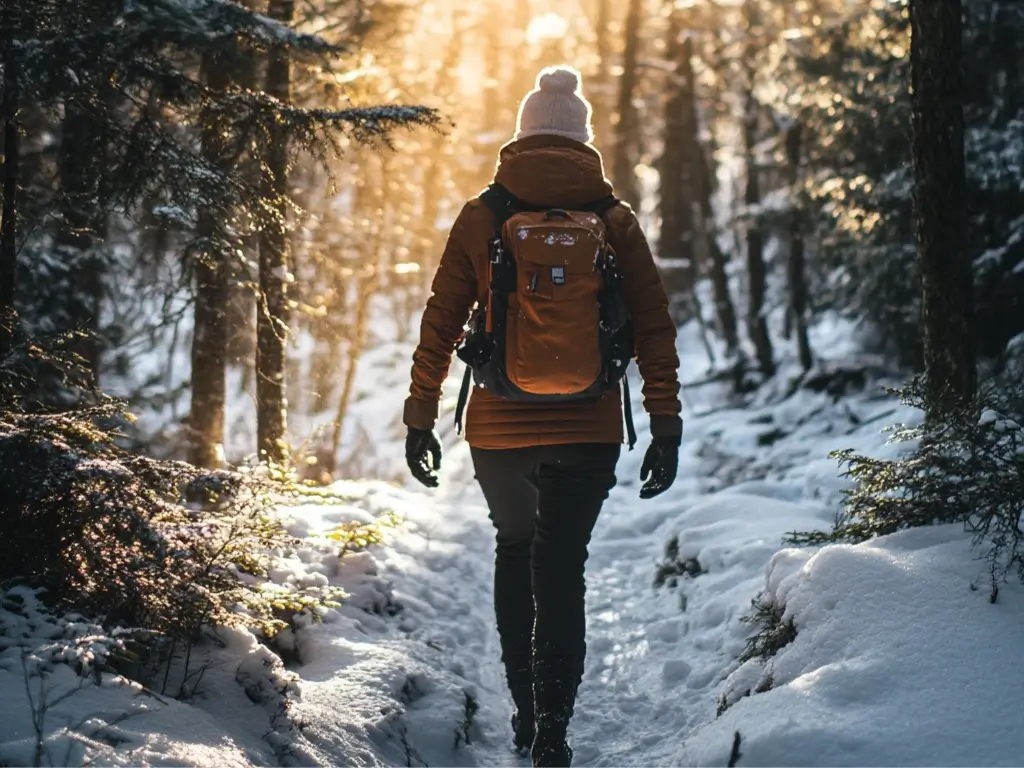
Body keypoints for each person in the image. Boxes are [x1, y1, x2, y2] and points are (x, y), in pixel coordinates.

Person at [403, 65, 682, 767]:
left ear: (522, 135)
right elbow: (653, 326)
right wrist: (664, 424)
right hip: (590, 425)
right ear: (582, 141)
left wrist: (419, 415)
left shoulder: (483, 214)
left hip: (498, 426)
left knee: (515, 550)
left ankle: (526, 713)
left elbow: (439, 321)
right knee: (562, 567)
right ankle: (555, 726)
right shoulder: (615, 221)